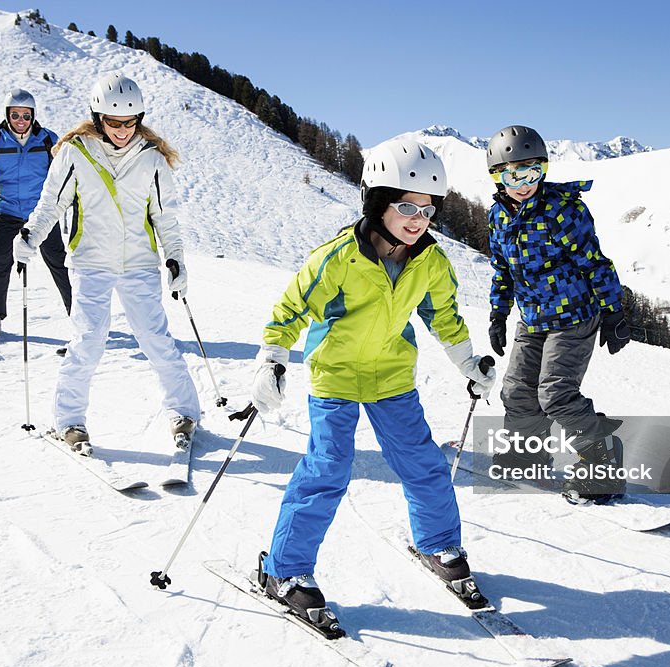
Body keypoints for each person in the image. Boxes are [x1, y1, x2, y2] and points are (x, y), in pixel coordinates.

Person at [249, 138, 496, 629]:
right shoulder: (338, 257)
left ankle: (439, 543)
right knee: (328, 469)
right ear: (377, 202)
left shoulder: (431, 260)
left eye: (427, 209)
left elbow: (442, 315)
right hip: (335, 375)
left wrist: (468, 361)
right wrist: (272, 358)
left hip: (391, 375)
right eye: (406, 205)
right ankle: (285, 572)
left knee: (424, 462)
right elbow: (291, 309)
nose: (417, 218)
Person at [14, 73, 199, 450]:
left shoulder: (151, 158)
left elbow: (166, 217)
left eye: (130, 122)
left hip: (139, 264)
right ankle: (69, 421)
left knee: (156, 339)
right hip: (91, 261)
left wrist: (175, 259)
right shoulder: (76, 151)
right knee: (88, 341)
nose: (122, 130)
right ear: (98, 117)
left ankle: (183, 412)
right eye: (114, 123)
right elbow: (53, 203)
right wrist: (31, 235)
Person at [484, 125, 631, 502]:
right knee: (517, 391)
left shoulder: (563, 209)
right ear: (496, 176)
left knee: (557, 394)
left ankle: (603, 464)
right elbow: (503, 270)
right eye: (512, 174)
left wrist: (613, 312)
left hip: (574, 317)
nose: (523, 183)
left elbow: (595, 263)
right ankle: (526, 457)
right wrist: (498, 314)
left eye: (532, 171)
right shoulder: (498, 218)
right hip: (532, 319)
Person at [0, 88, 72, 339]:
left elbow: (63, 174)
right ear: (7, 115)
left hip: (41, 212)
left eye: (25, 115)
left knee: (59, 260)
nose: (20, 121)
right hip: (7, 209)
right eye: (15, 115)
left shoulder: (47, 139)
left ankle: (79, 312)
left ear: (33, 116)